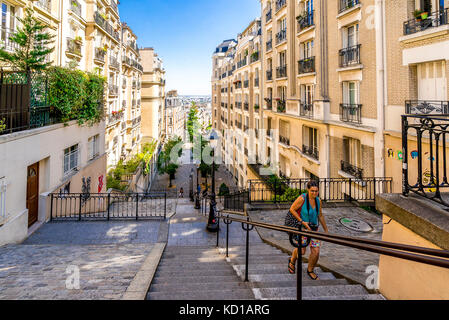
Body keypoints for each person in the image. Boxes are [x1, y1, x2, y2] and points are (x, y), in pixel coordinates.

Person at [287, 180, 329, 280]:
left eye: (316, 191)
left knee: (316, 252)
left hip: (314, 229)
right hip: (303, 229)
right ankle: (292, 260)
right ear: (308, 190)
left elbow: (320, 215)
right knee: (301, 251)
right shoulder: (302, 198)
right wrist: (302, 221)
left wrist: (326, 230)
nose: (314, 193)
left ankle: (310, 270)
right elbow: (292, 209)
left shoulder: (318, 201)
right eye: (312, 191)